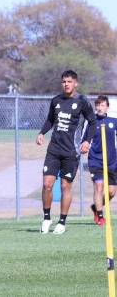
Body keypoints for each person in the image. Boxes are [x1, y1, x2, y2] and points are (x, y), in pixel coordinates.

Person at [36, 70, 95, 234]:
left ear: (75, 83)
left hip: (71, 151)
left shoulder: (82, 101)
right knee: (47, 184)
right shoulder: (56, 100)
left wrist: (86, 141)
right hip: (54, 149)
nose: (66, 84)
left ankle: (62, 221)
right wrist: (41, 133)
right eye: (64, 82)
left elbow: (92, 122)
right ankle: (47, 218)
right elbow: (50, 120)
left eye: (69, 81)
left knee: (65, 186)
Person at [85, 95, 117, 226]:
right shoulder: (91, 122)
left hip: (112, 162)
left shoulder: (114, 122)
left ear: (107, 107)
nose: (99, 107)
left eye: (102, 105)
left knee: (111, 192)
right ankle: (100, 215)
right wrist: (84, 145)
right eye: (97, 105)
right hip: (95, 160)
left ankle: (96, 207)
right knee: (99, 186)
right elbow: (84, 140)